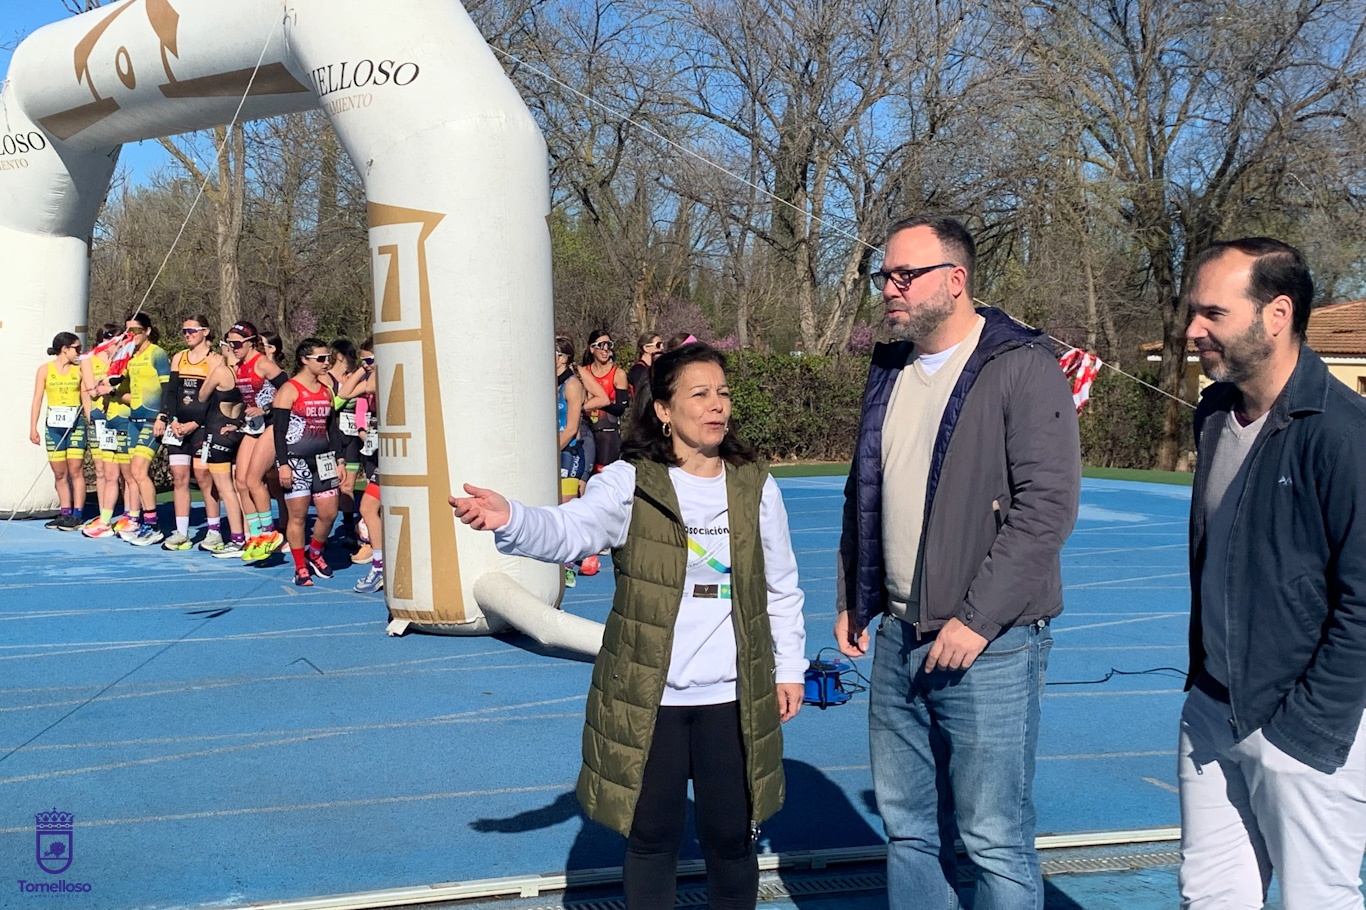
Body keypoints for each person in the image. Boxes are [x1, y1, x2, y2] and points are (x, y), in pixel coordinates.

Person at [451, 342, 807, 910]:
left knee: (732, 843)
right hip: (648, 700)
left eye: (723, 393)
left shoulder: (754, 484)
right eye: (700, 394)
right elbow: (570, 530)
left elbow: (781, 587)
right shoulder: (627, 482)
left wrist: (790, 668)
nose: (717, 406)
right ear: (663, 410)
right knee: (651, 842)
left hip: (733, 697)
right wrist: (512, 517)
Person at [834, 215, 1080, 910]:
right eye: (884, 275)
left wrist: (975, 622)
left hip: (988, 647)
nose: (889, 288)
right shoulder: (889, 369)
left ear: (955, 279)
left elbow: (1046, 508)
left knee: (993, 837)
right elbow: (865, 489)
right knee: (909, 830)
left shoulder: (1021, 366)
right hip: (898, 637)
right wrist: (855, 593)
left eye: (904, 275)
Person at [1177, 238, 1366, 910]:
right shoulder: (1213, 416)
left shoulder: (1342, 434)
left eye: (1213, 314)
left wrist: (1303, 731)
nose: (1192, 329)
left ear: (1277, 314)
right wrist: (1204, 690)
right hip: (1212, 708)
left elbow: (1364, 603)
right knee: (1210, 898)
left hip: (1301, 724)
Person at [273, 338, 343, 587]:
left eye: (328, 359)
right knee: (298, 516)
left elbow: (332, 428)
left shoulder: (325, 390)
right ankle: (300, 567)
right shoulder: (289, 390)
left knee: (328, 513)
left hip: (323, 459)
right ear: (305, 360)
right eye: (321, 359)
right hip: (295, 460)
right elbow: (279, 432)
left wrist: (340, 459)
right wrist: (282, 464)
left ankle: (315, 552)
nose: (326, 364)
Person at [100, 313, 170, 546]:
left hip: (152, 420)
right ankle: (138, 519)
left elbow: (168, 387)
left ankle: (153, 526)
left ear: (148, 331)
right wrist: (112, 363)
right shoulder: (129, 356)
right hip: (133, 420)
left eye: (136, 331)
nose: (132, 336)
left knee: (140, 471)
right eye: (128, 332)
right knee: (133, 473)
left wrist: (163, 415)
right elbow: (119, 387)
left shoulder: (156, 353)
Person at [226, 322, 287, 562]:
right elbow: (247, 401)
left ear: (251, 342)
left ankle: (269, 532)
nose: (233, 348)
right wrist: (238, 422)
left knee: (254, 480)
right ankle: (254, 534)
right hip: (253, 426)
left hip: (273, 424)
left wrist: (265, 408)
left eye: (237, 344)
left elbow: (289, 390)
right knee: (240, 481)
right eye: (230, 344)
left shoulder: (263, 363)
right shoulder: (239, 366)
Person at [161, 317, 224, 551]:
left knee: (204, 477)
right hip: (179, 427)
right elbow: (172, 392)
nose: (187, 334)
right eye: (184, 331)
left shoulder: (216, 360)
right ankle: (181, 532)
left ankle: (214, 531)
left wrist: (196, 422)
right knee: (179, 477)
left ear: (205, 332)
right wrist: (173, 419)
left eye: (191, 330)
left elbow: (213, 398)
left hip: (203, 426)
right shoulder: (179, 357)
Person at [554, 334, 608, 587]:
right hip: (551, 449)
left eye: (556, 354)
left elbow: (571, 427)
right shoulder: (547, 382)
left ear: (565, 358)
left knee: (567, 510)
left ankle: (571, 565)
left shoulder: (572, 384)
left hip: (569, 452)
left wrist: (550, 451)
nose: (551, 359)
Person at [336, 338, 384, 592]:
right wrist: (361, 368)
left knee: (372, 507)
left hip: (392, 453)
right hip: (380, 451)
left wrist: (375, 366)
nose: (367, 367)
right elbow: (344, 393)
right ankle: (379, 564)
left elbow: (373, 384)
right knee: (368, 507)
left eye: (370, 361)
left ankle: (380, 563)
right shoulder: (370, 376)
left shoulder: (383, 377)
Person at [29, 332, 88, 530]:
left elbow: (85, 397)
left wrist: (92, 420)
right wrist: (33, 427)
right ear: (65, 349)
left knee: (76, 470)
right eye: (76, 349)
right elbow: (37, 399)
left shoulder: (78, 370)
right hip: (53, 426)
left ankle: (77, 514)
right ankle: (64, 512)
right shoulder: (45, 370)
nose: (79, 352)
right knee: (60, 473)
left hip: (75, 425)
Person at [198, 344, 249, 557]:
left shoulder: (221, 371)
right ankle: (249, 533)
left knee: (225, 488)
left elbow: (201, 396)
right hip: (238, 429)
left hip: (218, 431)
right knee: (241, 487)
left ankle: (237, 538)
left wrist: (213, 368)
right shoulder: (246, 374)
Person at [80, 325, 123, 536]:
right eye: (114, 339)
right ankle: (103, 514)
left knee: (125, 469)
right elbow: (90, 390)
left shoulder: (123, 357)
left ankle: (130, 515)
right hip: (100, 418)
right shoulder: (89, 358)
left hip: (119, 414)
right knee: (102, 470)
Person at [328, 338, 364, 547]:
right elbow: (332, 404)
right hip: (332, 437)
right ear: (340, 356)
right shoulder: (327, 378)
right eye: (350, 355)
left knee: (348, 486)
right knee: (332, 487)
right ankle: (324, 529)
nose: (353, 361)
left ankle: (350, 530)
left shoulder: (357, 377)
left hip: (352, 438)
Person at [579, 328, 630, 472]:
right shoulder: (583, 372)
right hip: (585, 429)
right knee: (583, 475)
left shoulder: (618, 374)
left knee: (604, 474)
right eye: (601, 345)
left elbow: (620, 408)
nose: (605, 349)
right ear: (591, 348)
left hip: (607, 432)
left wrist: (601, 402)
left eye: (608, 345)